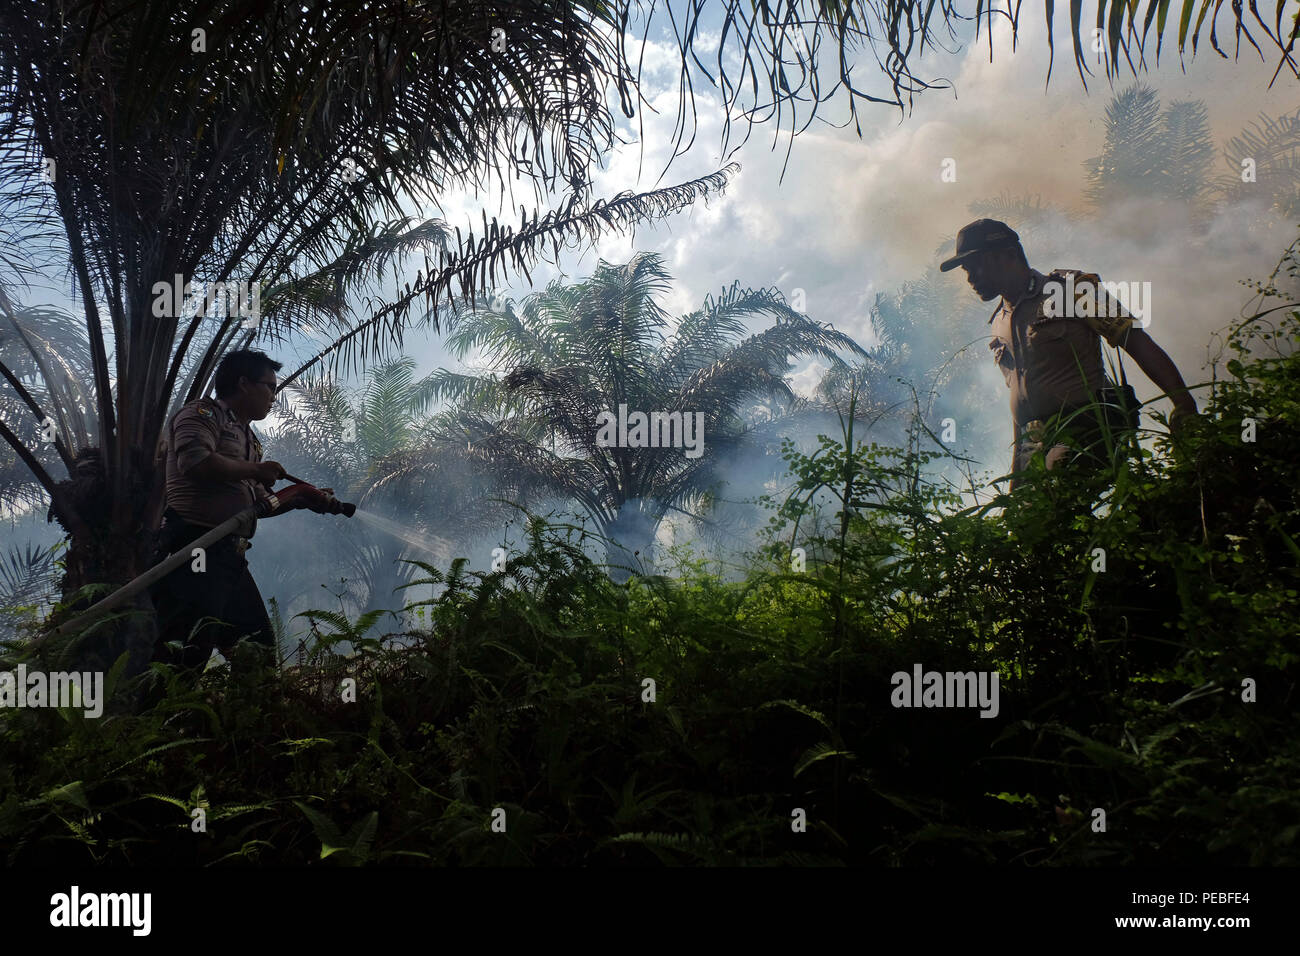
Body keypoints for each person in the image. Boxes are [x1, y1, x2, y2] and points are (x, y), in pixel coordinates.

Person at [940, 219, 1198, 492]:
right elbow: (1021, 400)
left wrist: (1184, 405)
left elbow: (1136, 342)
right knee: (1026, 524)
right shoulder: (999, 323)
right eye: (966, 270)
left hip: (1089, 426)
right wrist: (1017, 482)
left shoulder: (1072, 290)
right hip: (1036, 441)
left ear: (1009, 255)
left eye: (977, 265)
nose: (970, 278)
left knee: (1057, 489)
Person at [151, 349, 334, 670]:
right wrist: (254, 471)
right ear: (244, 383)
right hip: (195, 550)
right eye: (270, 387)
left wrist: (302, 499)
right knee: (184, 655)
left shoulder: (249, 438)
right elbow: (194, 462)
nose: (274, 397)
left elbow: (256, 505)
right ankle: (151, 717)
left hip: (228, 556)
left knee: (256, 653)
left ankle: (242, 717)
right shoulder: (203, 414)